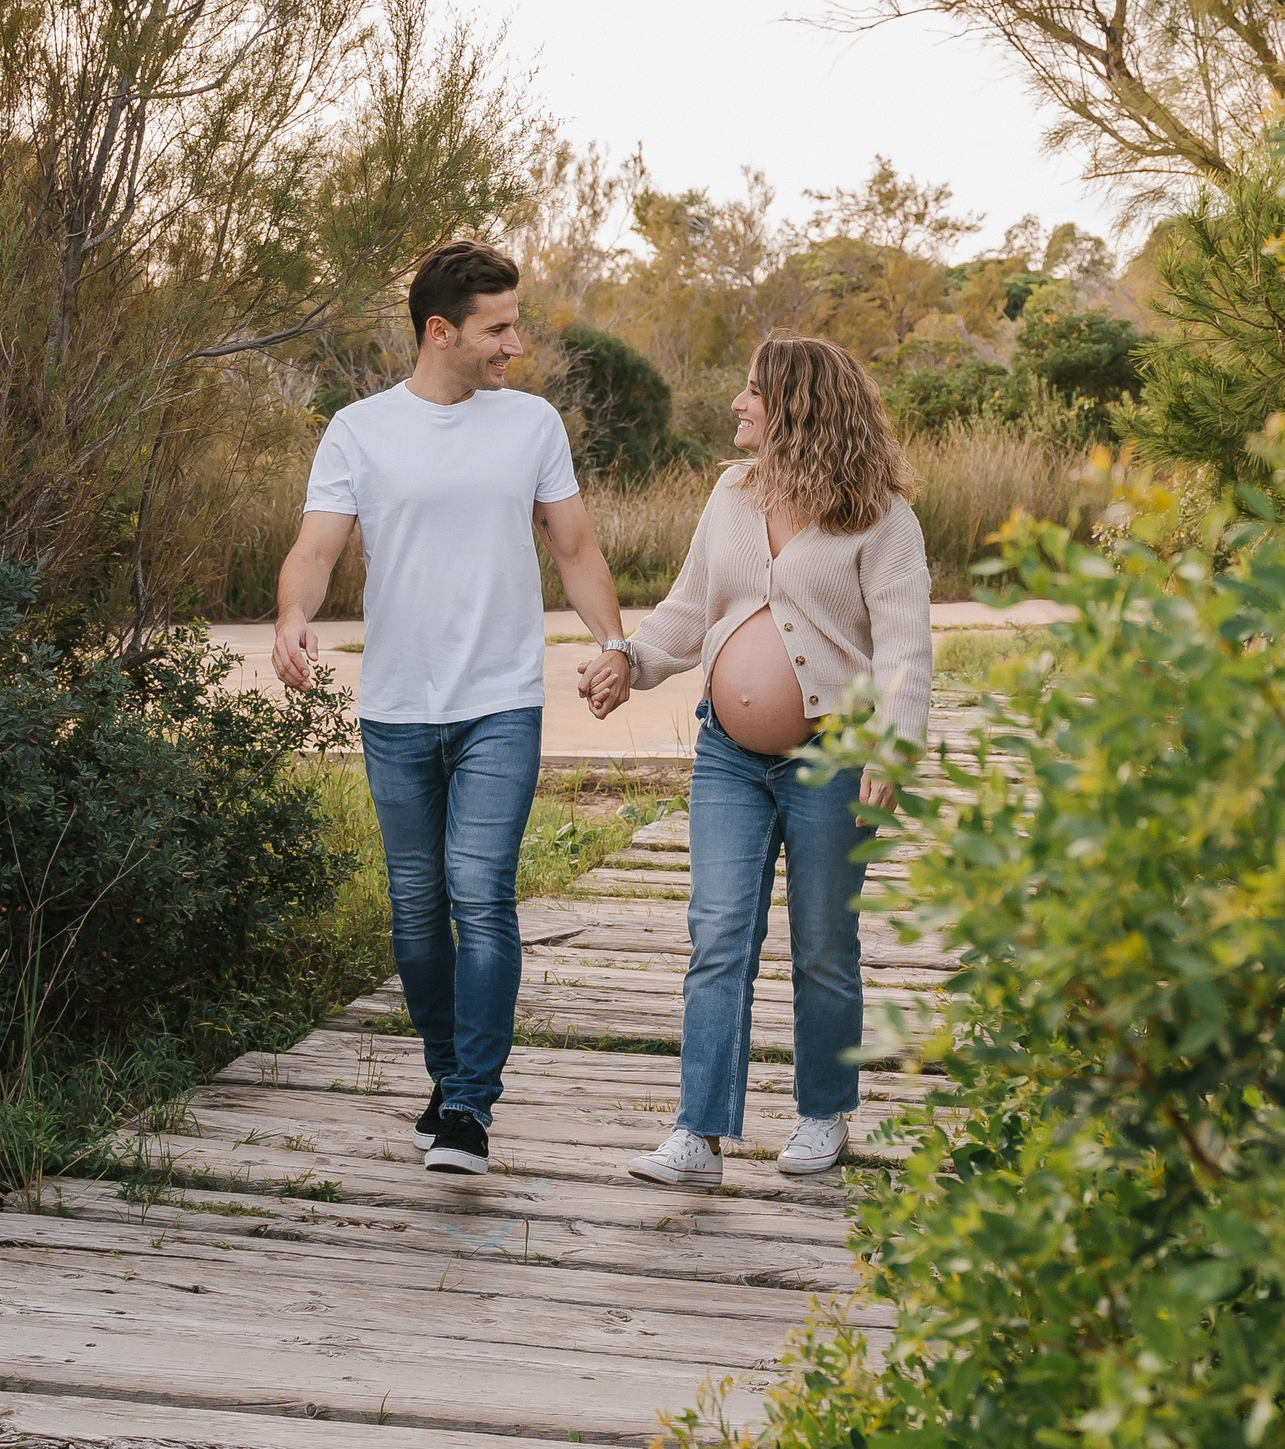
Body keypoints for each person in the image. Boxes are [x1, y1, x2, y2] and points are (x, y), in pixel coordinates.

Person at [273, 240, 631, 1175]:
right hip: (395, 707)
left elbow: (577, 549)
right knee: (417, 906)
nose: (514, 344)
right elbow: (315, 551)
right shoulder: (358, 430)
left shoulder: (531, 425)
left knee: (480, 889)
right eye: (498, 328)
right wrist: (290, 620)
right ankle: (445, 1077)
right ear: (442, 331)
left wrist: (612, 645)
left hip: (500, 700)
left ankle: (471, 1104)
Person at [581, 334, 930, 1185]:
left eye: (751, 391)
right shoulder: (731, 494)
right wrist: (631, 658)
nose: (737, 404)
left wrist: (893, 743)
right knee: (719, 936)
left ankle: (823, 1113)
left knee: (821, 943)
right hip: (728, 758)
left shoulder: (881, 517)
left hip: (833, 759)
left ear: (798, 406)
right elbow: (690, 606)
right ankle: (697, 1134)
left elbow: (906, 649)